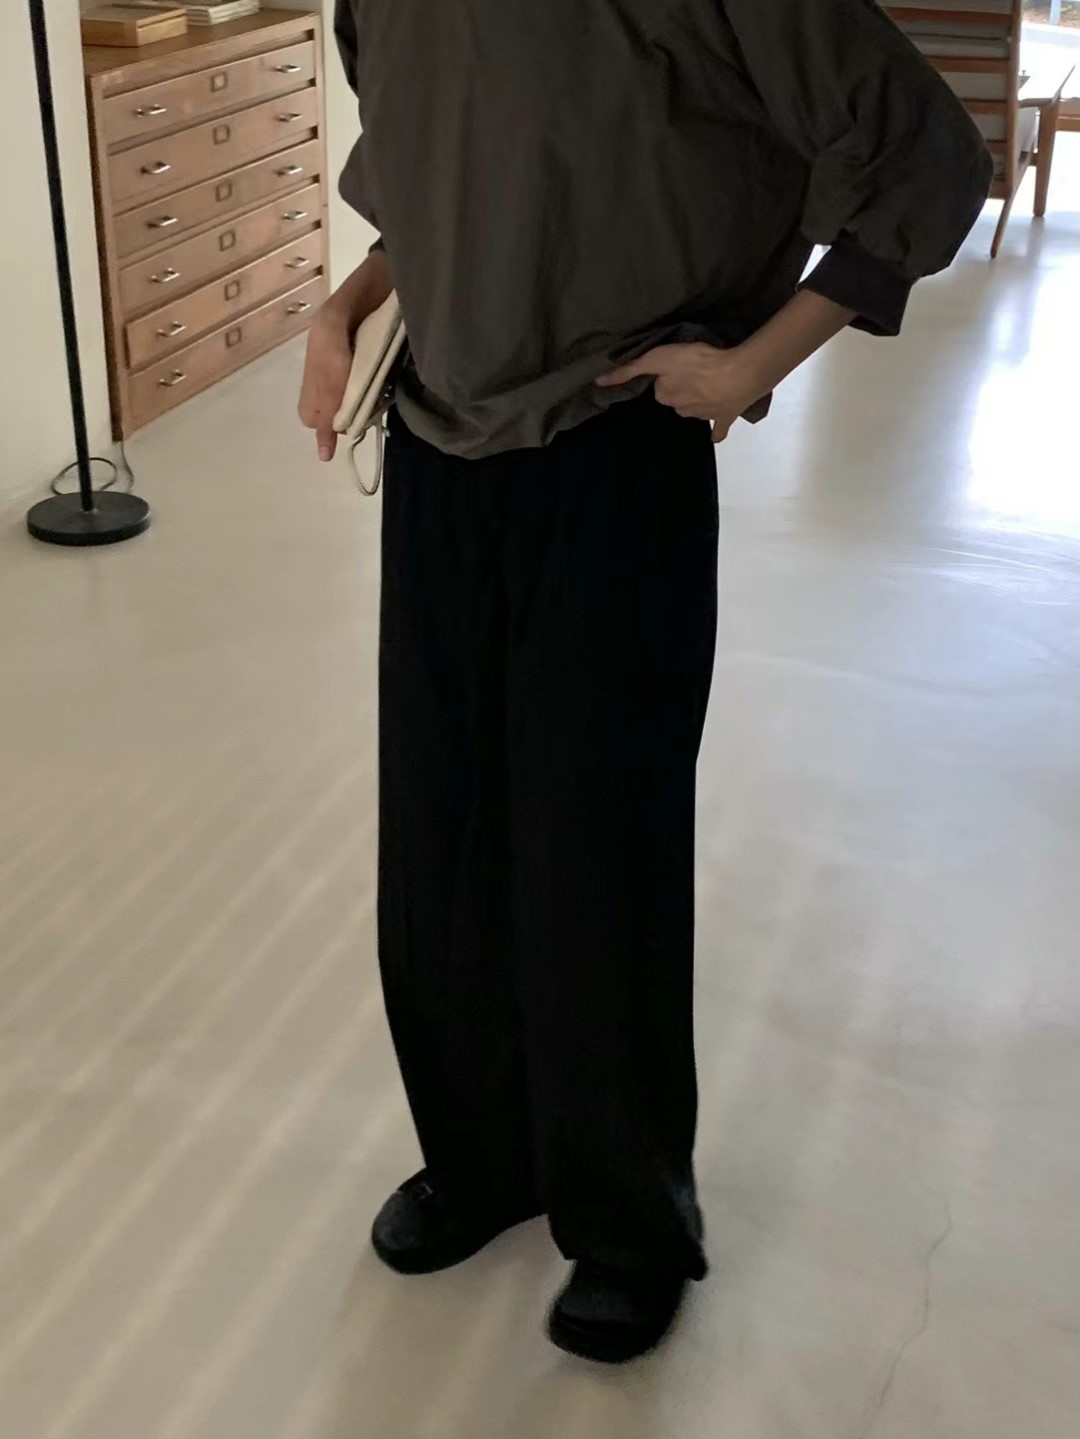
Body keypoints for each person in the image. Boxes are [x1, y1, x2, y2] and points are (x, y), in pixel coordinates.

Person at [301, 0, 991, 1364]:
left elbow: (926, 156)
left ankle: (626, 1220)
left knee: (593, 845)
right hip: (440, 438)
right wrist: (347, 304)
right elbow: (434, 170)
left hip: (614, 440)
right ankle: (482, 1158)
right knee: (441, 837)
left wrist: (752, 363)